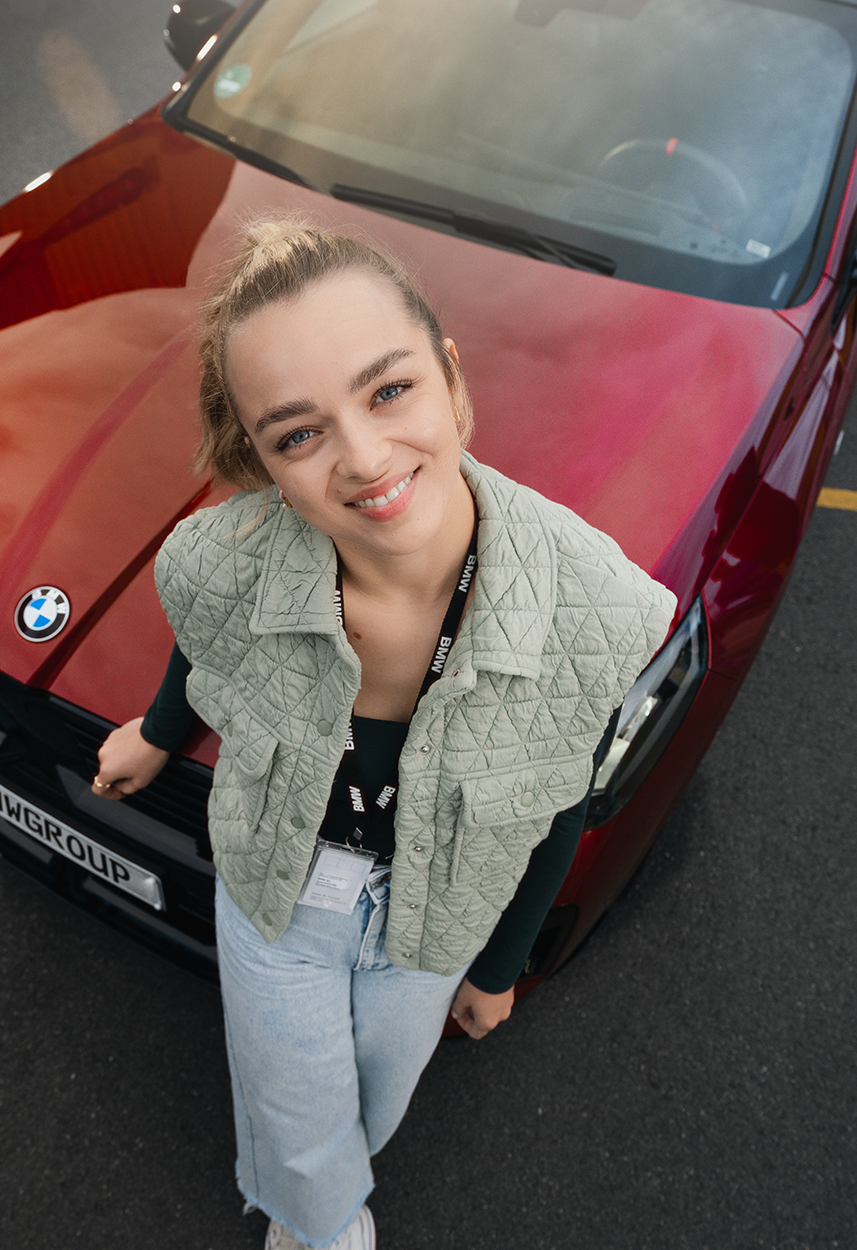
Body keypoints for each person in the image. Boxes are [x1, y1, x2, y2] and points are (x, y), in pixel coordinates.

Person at [91, 221, 676, 1250]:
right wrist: (158, 726)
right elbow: (209, 638)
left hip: (435, 918)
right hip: (282, 885)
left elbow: (559, 804)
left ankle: (313, 1199)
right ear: (264, 460)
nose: (363, 459)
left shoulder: (593, 606)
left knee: (371, 1097)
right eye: (298, 433)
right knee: (293, 1098)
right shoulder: (229, 559)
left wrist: (494, 969)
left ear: (448, 377)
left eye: (388, 389)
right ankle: (323, 1229)